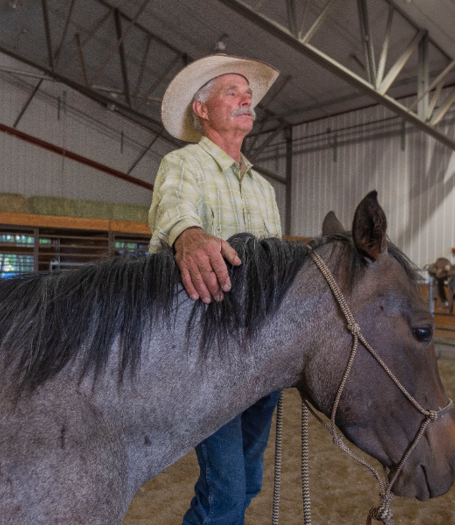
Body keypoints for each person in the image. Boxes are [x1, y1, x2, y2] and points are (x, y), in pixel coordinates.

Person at [148, 54, 282, 525]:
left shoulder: (264, 189)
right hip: (209, 357)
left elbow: (277, 267)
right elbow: (172, 209)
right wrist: (187, 234)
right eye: (233, 93)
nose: (246, 101)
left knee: (246, 482)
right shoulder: (183, 164)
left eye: (248, 97)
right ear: (201, 110)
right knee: (226, 490)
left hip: (260, 356)